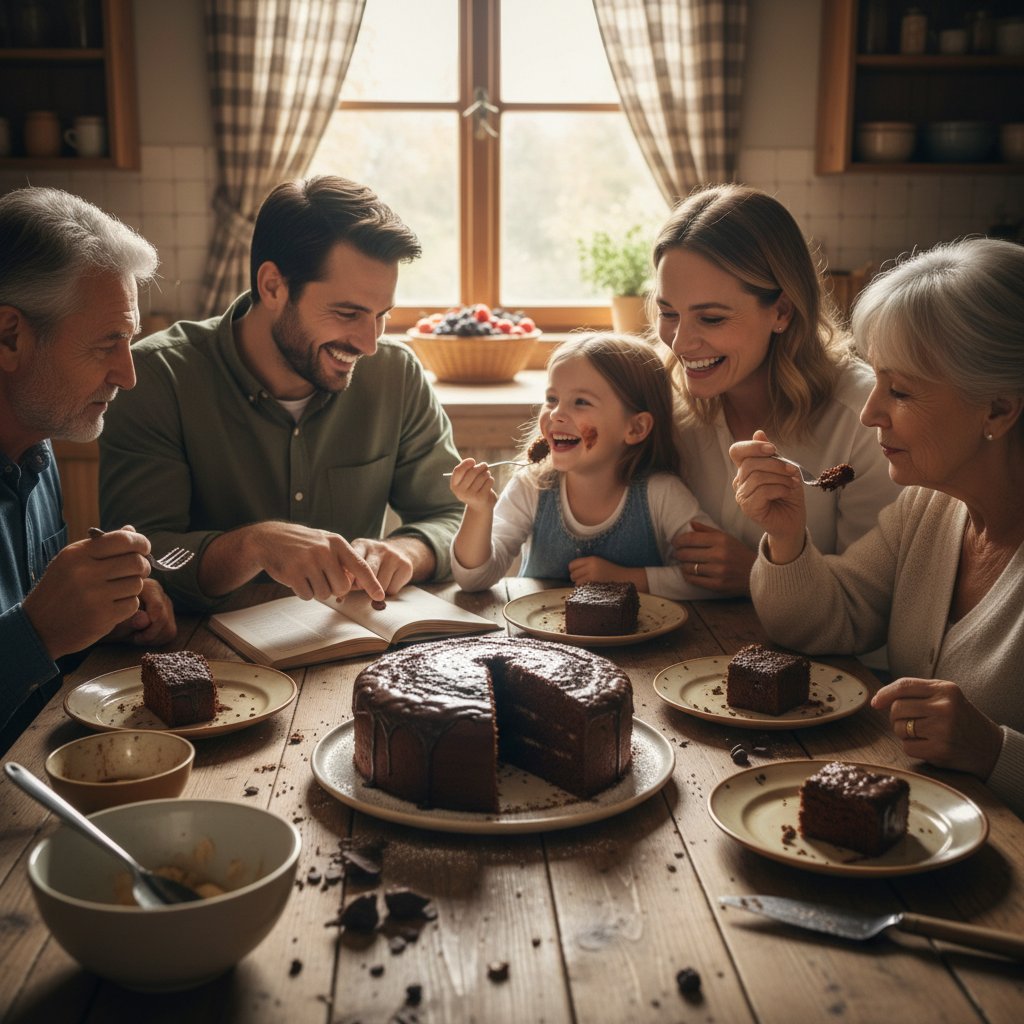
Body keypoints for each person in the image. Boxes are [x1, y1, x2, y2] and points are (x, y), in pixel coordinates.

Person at [731, 237, 1024, 816]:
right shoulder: (930, 508)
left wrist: (996, 751)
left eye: (902, 390)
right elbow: (827, 621)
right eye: (875, 380)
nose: (869, 413)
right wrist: (787, 537)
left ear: (997, 409)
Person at [99, 176, 463, 613]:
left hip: (353, 651)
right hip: (205, 658)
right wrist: (252, 546)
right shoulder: (156, 378)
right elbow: (148, 556)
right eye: (347, 313)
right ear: (273, 286)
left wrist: (409, 550)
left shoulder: (395, 373)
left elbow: (452, 515)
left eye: (381, 315)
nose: (369, 343)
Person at [653, 184, 902, 596]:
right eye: (668, 313)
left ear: (782, 311)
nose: (680, 343)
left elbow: (873, 598)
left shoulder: (865, 418)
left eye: (711, 319)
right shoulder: (667, 402)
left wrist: (757, 572)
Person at [0, 186, 176, 753]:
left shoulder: (35, 446)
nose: (127, 375)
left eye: (130, 342)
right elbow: (28, 636)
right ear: (9, 336)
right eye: (107, 345)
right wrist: (39, 632)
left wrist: (96, 622)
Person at [449, 332, 719, 600]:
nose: (555, 413)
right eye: (552, 399)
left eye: (581, 402)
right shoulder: (531, 486)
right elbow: (473, 579)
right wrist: (478, 510)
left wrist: (631, 579)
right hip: (539, 640)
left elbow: (710, 578)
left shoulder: (663, 494)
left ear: (636, 427)